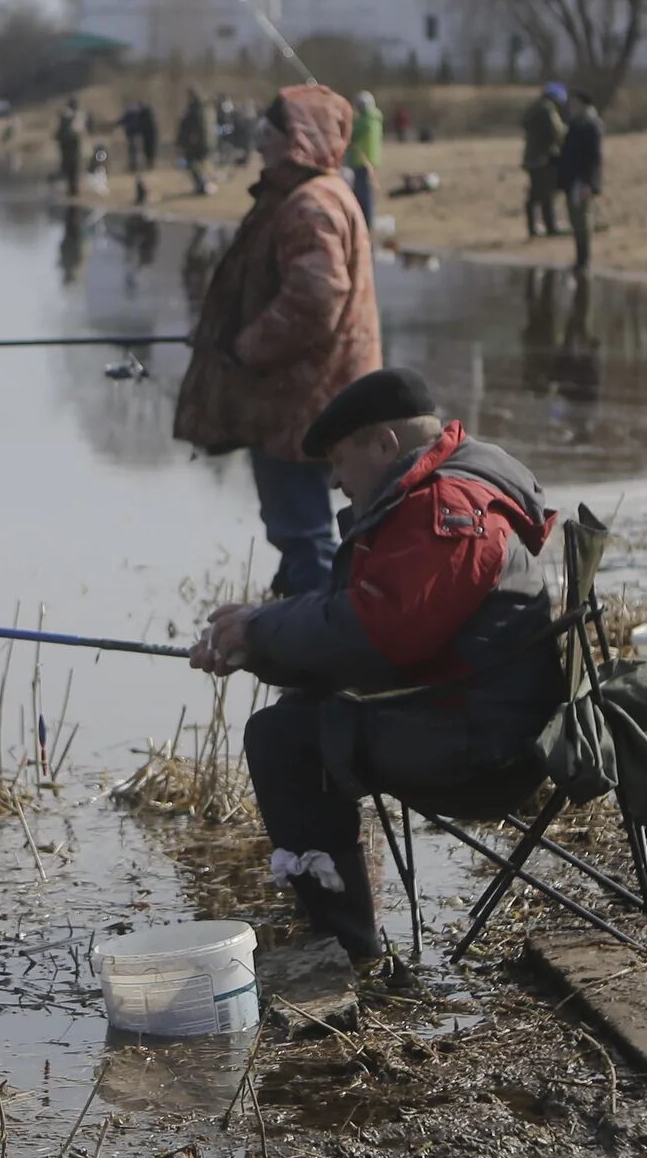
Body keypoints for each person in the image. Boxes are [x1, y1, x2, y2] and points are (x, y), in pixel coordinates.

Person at [189, 368, 564, 961]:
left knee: (284, 738)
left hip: (488, 747)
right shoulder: (432, 496)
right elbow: (367, 621)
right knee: (300, 718)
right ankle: (340, 927)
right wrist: (257, 640)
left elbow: (377, 634)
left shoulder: (446, 509)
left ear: (385, 445)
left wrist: (262, 630)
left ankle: (345, 946)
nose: (335, 481)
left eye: (339, 461)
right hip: (471, 715)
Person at [172, 85, 384, 597]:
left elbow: (315, 300)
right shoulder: (311, 196)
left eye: (272, 132)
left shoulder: (310, 205)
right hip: (309, 396)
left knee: (303, 532)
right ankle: (297, 616)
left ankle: (317, 644)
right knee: (301, 531)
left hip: (304, 401)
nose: (260, 141)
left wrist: (245, 346)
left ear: (300, 140)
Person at [554, 91, 605, 273]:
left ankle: (585, 260)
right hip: (571, 180)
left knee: (583, 221)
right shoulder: (575, 125)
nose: (572, 107)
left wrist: (589, 184)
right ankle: (579, 260)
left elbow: (594, 158)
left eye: (575, 103)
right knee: (575, 221)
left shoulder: (591, 125)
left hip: (583, 181)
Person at [520, 81, 568, 237]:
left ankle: (533, 227)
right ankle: (550, 226)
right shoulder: (547, 109)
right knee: (546, 192)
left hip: (531, 157)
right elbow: (558, 131)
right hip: (544, 157)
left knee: (536, 192)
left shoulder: (534, 108)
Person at [346, 90, 385, 228]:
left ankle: (366, 223)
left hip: (361, 161)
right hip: (371, 161)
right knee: (367, 192)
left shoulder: (364, 121)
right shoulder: (375, 119)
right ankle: (367, 222)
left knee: (363, 194)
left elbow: (350, 135)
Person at [118, 98, 159, 204]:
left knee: (141, 172)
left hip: (142, 147)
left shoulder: (142, 119)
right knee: (140, 172)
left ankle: (143, 195)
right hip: (144, 148)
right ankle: (142, 194)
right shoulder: (146, 118)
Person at [175, 88, 214, 195]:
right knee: (197, 164)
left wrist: (194, 137)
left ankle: (202, 184)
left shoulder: (197, 109)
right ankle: (202, 184)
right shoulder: (200, 107)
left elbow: (197, 125)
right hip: (198, 142)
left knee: (194, 164)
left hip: (196, 143)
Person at [54, 100, 86, 198]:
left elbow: (59, 133)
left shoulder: (67, 116)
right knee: (73, 168)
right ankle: (73, 189)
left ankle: (72, 189)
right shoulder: (77, 115)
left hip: (68, 146)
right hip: (73, 145)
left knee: (69, 168)